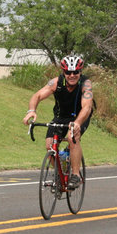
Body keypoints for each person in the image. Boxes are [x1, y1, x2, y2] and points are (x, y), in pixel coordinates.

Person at [24, 54, 93, 189]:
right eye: (68, 72)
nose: (72, 75)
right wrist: (31, 110)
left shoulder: (86, 83)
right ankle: (59, 173)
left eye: (75, 72)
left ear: (80, 72)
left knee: (72, 137)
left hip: (80, 116)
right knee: (49, 144)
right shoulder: (55, 82)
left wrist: (77, 123)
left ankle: (75, 175)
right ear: (63, 72)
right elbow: (37, 95)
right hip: (61, 117)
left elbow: (87, 107)